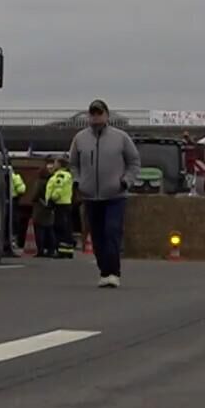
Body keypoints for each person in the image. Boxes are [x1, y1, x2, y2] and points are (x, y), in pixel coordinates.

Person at [68, 99, 140, 287]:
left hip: (115, 195)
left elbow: (134, 162)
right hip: (90, 196)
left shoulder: (121, 138)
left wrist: (126, 181)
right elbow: (73, 164)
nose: (96, 117)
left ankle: (114, 272)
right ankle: (104, 271)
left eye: (99, 113)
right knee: (97, 235)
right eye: (93, 113)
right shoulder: (80, 139)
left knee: (112, 231)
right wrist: (77, 181)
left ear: (106, 115)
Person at [41, 158, 76, 258]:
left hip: (60, 204)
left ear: (60, 164)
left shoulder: (60, 175)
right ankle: (68, 251)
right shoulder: (67, 175)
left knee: (60, 228)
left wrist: (52, 199)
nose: (54, 165)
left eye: (56, 163)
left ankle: (61, 251)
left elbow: (58, 187)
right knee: (67, 228)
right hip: (66, 203)